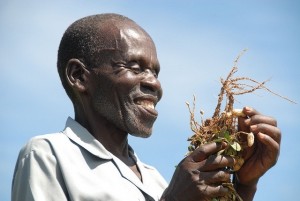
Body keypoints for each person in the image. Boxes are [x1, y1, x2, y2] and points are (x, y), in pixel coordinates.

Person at [12, 13, 281, 201]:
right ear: (80, 77)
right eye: (135, 67)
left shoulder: (155, 180)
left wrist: (244, 185)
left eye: (155, 72)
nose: (154, 84)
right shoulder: (48, 155)